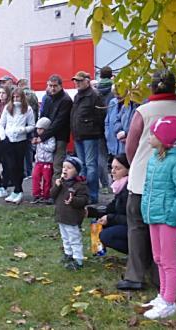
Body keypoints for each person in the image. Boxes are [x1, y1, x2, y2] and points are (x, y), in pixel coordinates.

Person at [119, 70, 176, 291]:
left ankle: (135, 274)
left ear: (152, 88)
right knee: (163, 229)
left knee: (137, 227)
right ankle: (160, 274)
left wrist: (135, 165)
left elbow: (131, 145)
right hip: (172, 177)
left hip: (144, 175)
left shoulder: (143, 111)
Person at [139, 115, 176, 320]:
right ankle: (162, 296)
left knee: (168, 261)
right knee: (158, 258)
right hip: (154, 216)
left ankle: (169, 301)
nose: (149, 137)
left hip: (168, 218)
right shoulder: (155, 158)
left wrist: (173, 215)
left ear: (165, 139)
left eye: (153, 133)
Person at [70, 71, 107, 204]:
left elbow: (101, 115)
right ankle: (84, 194)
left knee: (91, 165)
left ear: (87, 81)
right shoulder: (77, 96)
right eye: (76, 81)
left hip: (90, 134)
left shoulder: (94, 95)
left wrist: (94, 128)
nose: (77, 83)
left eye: (79, 81)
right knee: (82, 165)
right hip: (79, 134)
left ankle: (92, 195)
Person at [50, 156, 89, 271]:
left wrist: (73, 200)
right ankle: (68, 254)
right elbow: (52, 195)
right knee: (65, 237)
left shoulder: (80, 185)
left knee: (74, 238)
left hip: (72, 217)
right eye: (64, 167)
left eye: (69, 168)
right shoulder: (61, 183)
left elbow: (84, 200)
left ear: (76, 171)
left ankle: (78, 259)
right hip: (61, 216)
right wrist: (56, 186)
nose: (65, 170)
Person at [0, 87, 36, 204]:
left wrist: (22, 130)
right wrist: (3, 137)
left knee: (18, 166)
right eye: (14, 97)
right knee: (10, 166)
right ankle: (15, 190)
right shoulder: (8, 108)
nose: (15, 99)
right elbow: (1, 124)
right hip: (8, 140)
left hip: (21, 141)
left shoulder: (28, 109)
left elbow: (32, 125)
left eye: (17, 97)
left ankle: (18, 190)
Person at [37, 75, 74, 181]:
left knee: (57, 166)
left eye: (55, 86)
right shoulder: (48, 98)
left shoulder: (66, 100)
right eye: (50, 85)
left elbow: (59, 122)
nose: (52, 88)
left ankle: (56, 193)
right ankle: (47, 192)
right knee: (45, 165)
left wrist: (43, 136)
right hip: (47, 136)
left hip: (59, 136)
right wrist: (38, 133)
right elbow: (42, 117)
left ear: (60, 86)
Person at [97, 154, 131, 254]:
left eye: (118, 168)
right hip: (125, 223)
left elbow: (131, 218)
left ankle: (139, 254)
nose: (113, 171)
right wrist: (91, 212)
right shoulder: (120, 186)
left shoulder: (129, 189)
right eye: (112, 168)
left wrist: (110, 218)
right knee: (98, 223)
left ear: (128, 170)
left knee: (106, 235)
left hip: (135, 227)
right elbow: (111, 208)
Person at [31, 117, 56, 204]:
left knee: (47, 179)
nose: (38, 131)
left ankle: (46, 195)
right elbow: (35, 149)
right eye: (37, 128)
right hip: (38, 161)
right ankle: (36, 194)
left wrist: (40, 143)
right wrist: (34, 143)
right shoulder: (38, 137)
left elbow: (51, 148)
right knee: (35, 177)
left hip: (47, 162)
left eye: (41, 129)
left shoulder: (50, 138)